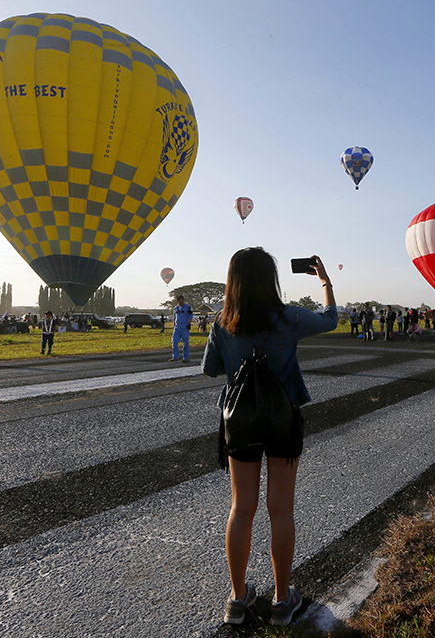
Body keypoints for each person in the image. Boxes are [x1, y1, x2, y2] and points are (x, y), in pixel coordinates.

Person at [202, 248, 336, 627]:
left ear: (233, 281)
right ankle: (281, 599)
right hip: (282, 418)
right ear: (271, 278)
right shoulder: (289, 316)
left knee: (241, 508)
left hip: (240, 420)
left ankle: (237, 598)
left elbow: (211, 368)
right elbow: (330, 319)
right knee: (280, 509)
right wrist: (325, 281)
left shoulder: (223, 321)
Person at [172, 295, 194, 362]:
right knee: (174, 341)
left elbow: (190, 316)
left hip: (184, 327)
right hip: (177, 327)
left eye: (183, 300)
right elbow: (175, 317)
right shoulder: (175, 308)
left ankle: (186, 357)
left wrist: (189, 324)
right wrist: (174, 324)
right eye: (180, 300)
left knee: (185, 342)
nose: (182, 301)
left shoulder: (187, 307)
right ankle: (175, 356)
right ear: (177, 301)